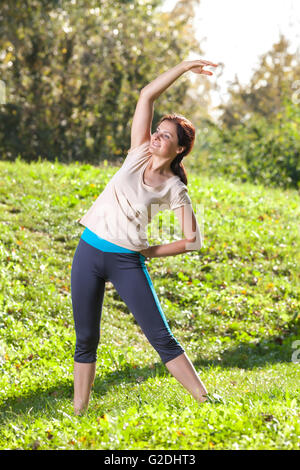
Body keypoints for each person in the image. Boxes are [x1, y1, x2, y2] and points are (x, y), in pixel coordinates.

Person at [71, 59, 218, 415]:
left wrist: (150, 251)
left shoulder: (173, 188)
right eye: (159, 130)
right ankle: (78, 413)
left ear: (180, 149)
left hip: (126, 262)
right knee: (86, 338)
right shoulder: (137, 153)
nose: (157, 136)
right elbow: (146, 94)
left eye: (166, 135)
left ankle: (207, 401)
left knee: (161, 337)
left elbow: (192, 240)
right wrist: (185, 66)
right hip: (88, 250)